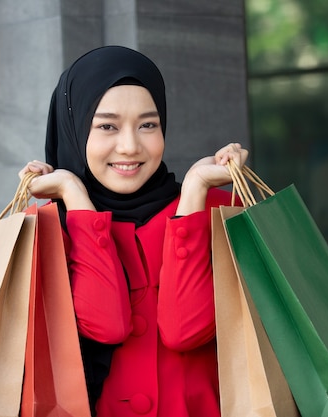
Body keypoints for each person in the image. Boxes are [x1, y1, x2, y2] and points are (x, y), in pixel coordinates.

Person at [19, 45, 247, 417]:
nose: (130, 146)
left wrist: (194, 189)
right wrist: (74, 196)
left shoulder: (217, 211)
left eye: (148, 125)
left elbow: (184, 330)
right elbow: (105, 326)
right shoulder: (48, 227)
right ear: (74, 130)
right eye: (107, 125)